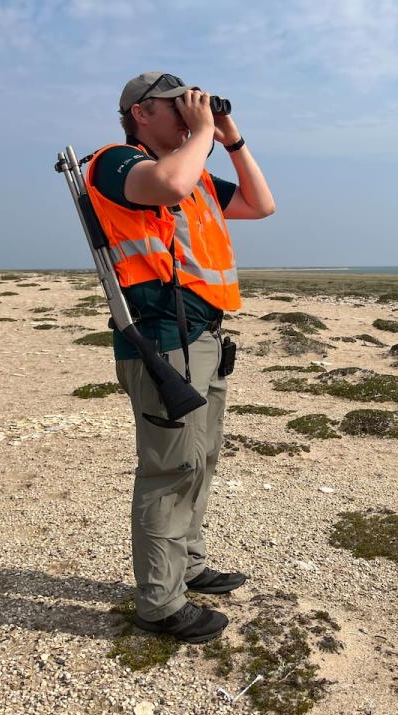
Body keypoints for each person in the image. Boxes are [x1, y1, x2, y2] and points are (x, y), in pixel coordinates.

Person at [84, 71, 275, 643]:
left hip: (206, 339)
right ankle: (160, 604)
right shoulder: (116, 162)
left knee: (203, 458)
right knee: (171, 469)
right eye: (178, 107)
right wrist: (202, 134)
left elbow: (260, 205)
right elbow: (165, 184)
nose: (192, 115)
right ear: (141, 113)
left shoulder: (193, 171)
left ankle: (187, 564)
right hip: (161, 340)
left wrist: (230, 135)